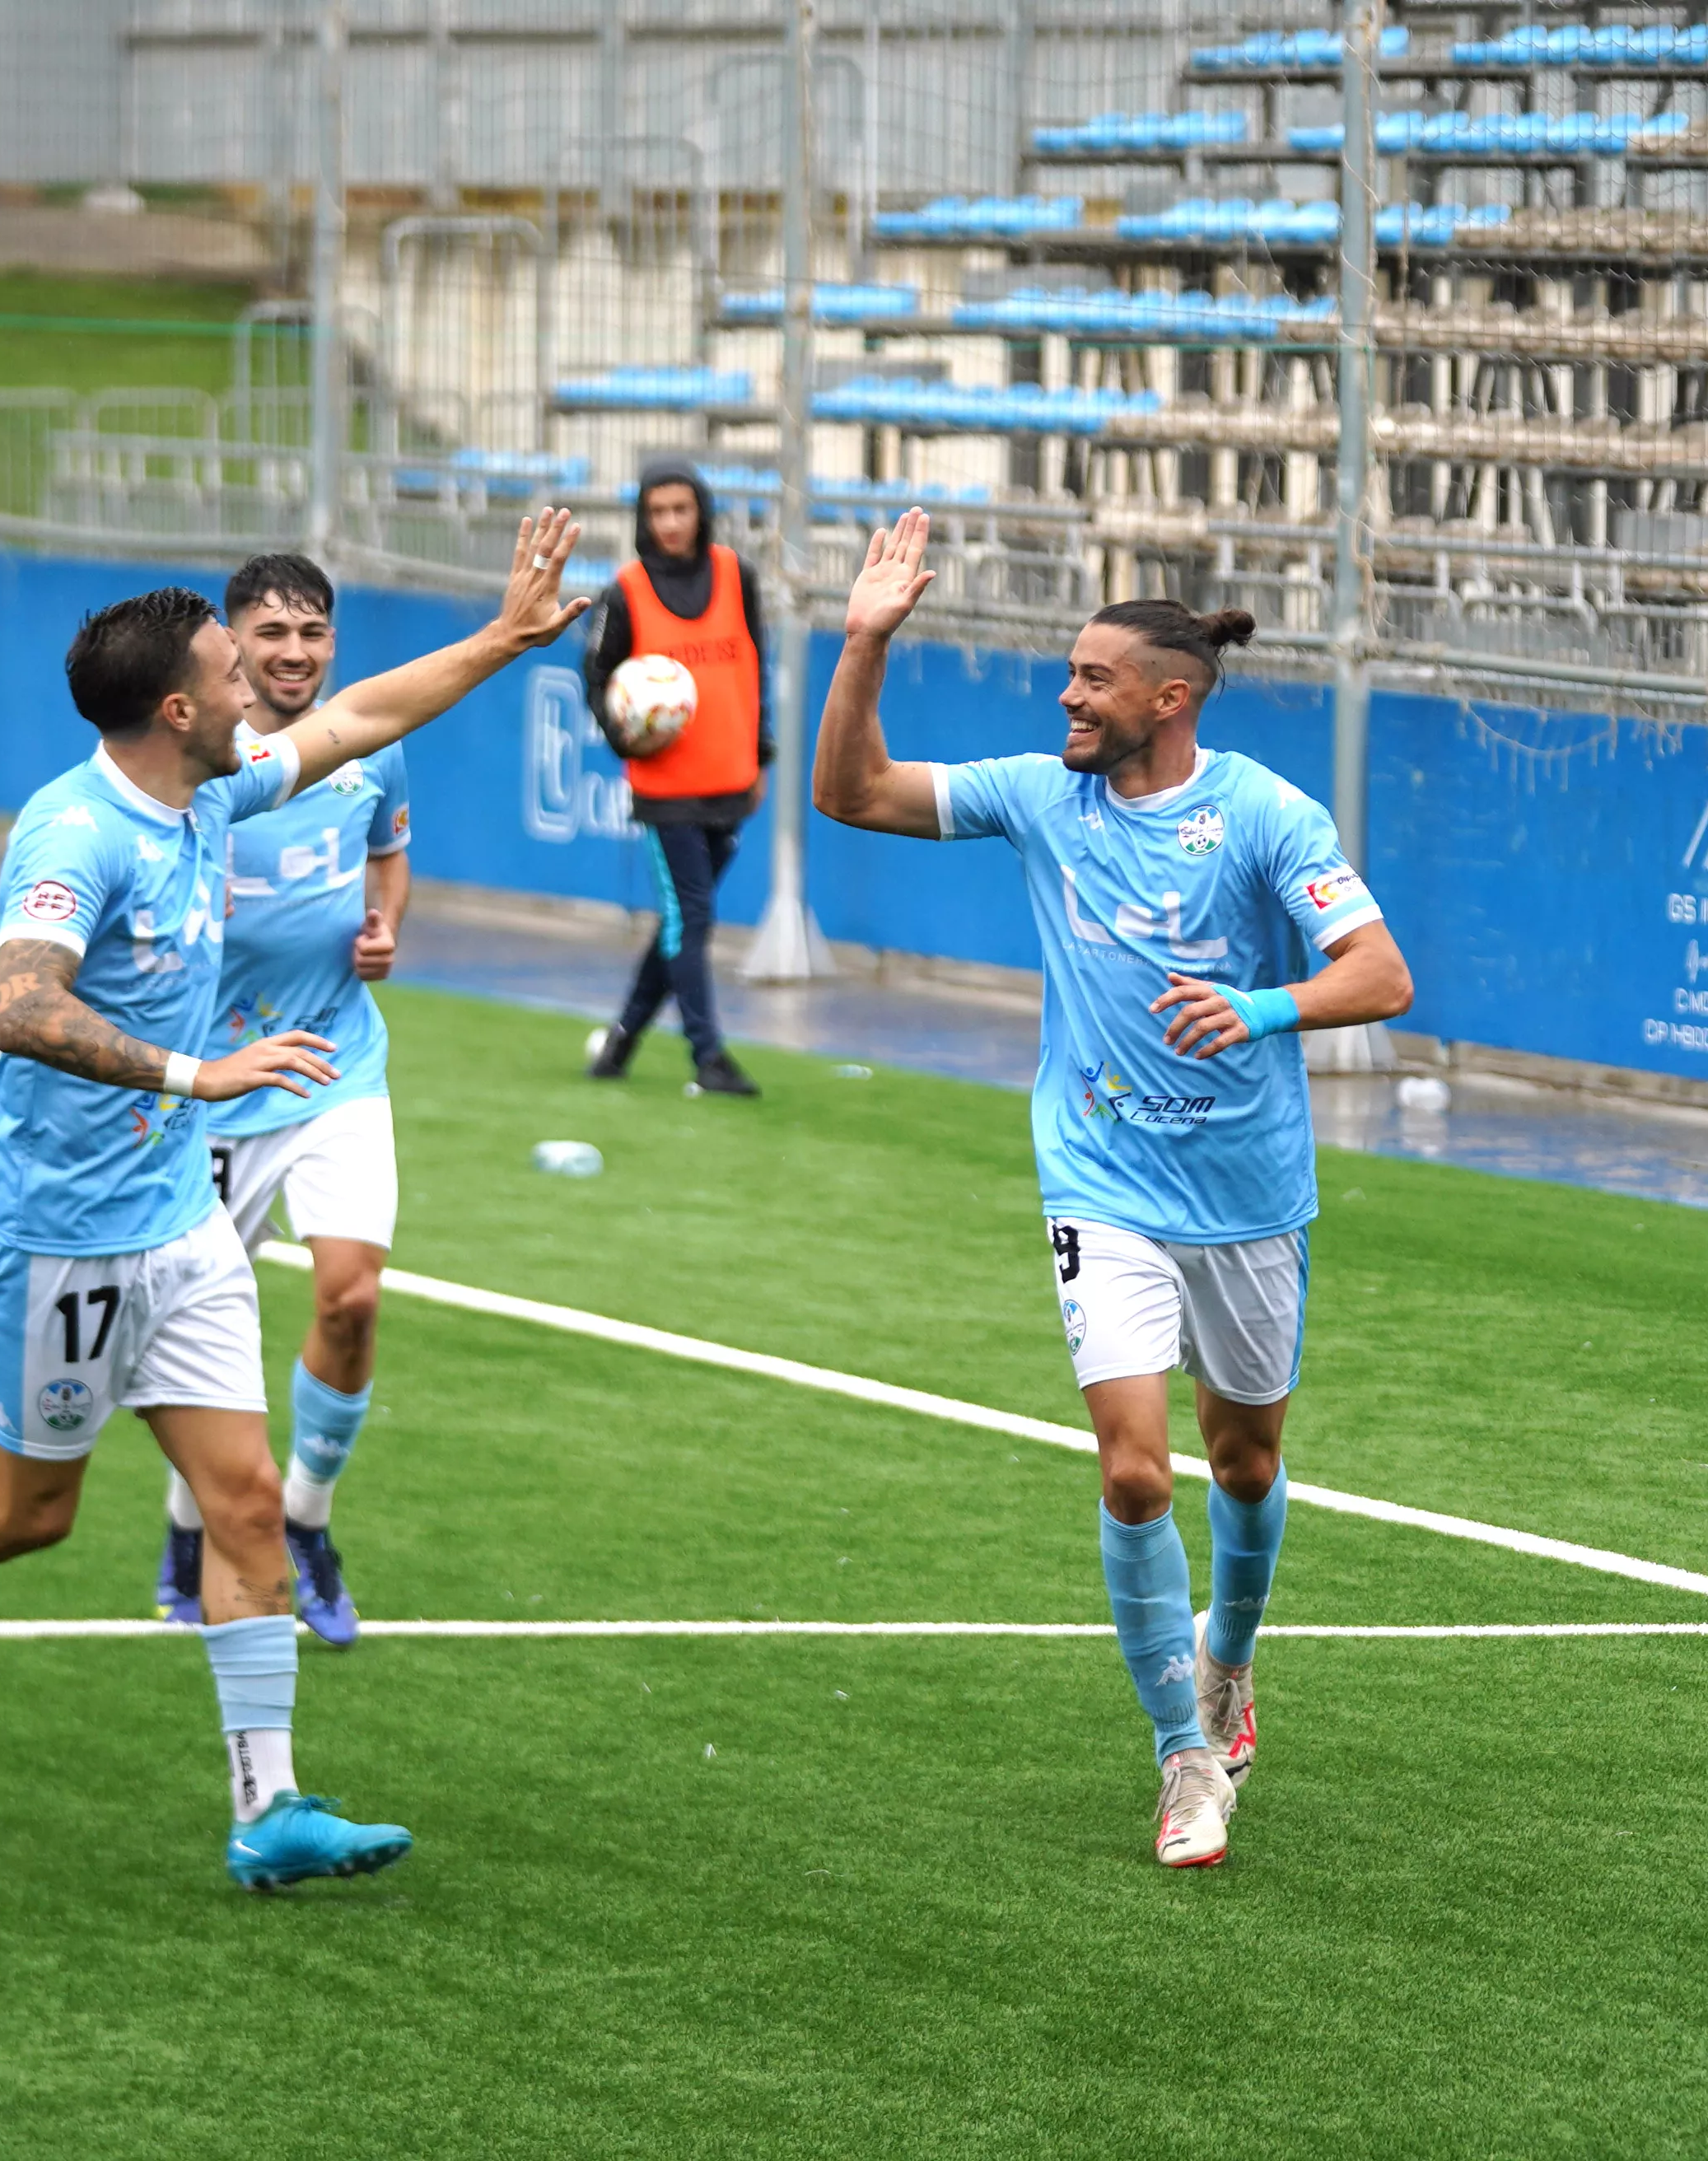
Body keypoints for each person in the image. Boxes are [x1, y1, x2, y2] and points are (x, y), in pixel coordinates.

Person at [0, 511, 591, 1893]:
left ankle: (266, 1806)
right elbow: (21, 1005)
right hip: (58, 1229)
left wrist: (509, 632)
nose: (259, 687)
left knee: (249, 1501)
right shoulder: (77, 829)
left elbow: (364, 716)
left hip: (174, 1220)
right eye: (229, 665)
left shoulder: (215, 786)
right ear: (176, 707)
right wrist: (195, 1070)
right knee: (28, 1511)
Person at [808, 508, 1414, 1871]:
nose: (1065, 696)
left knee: (1246, 1458)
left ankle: (1226, 1665)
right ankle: (1182, 1758)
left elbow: (1380, 976)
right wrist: (863, 640)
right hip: (1101, 1180)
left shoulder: (1263, 812)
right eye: (1068, 675)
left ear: (1168, 698)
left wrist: (1260, 1005)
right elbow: (852, 791)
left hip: (1249, 1192)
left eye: (1090, 679)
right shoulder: (1039, 794)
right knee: (1138, 1467)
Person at [153, 552, 408, 1648]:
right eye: (272, 635)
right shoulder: (196, 761)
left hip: (335, 1067)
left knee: (349, 1298)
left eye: (312, 634)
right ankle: (185, 1526)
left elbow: (389, 853)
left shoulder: (369, 748)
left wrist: (386, 925)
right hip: (212, 1090)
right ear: (234, 643)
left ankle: (305, 1518)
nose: (294, 653)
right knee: (195, 1343)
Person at [579, 455, 771, 1097]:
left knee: (681, 923)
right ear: (643, 517)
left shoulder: (736, 576)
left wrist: (761, 754)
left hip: (731, 780)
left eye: (680, 509)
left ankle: (622, 1041)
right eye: (657, 511)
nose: (669, 523)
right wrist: (624, 736)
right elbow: (597, 675)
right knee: (692, 918)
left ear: (701, 512)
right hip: (665, 790)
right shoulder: (625, 591)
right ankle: (708, 1056)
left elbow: (756, 665)